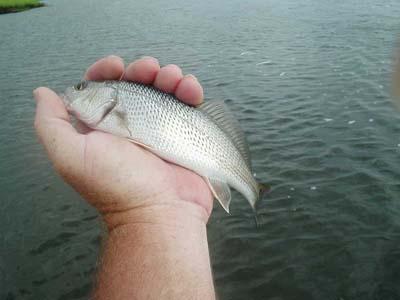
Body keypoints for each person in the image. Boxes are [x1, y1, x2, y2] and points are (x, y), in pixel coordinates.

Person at [33, 56, 216, 300]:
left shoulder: (116, 102)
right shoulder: (107, 112)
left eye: (80, 88)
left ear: (108, 95)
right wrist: (143, 212)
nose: (72, 91)